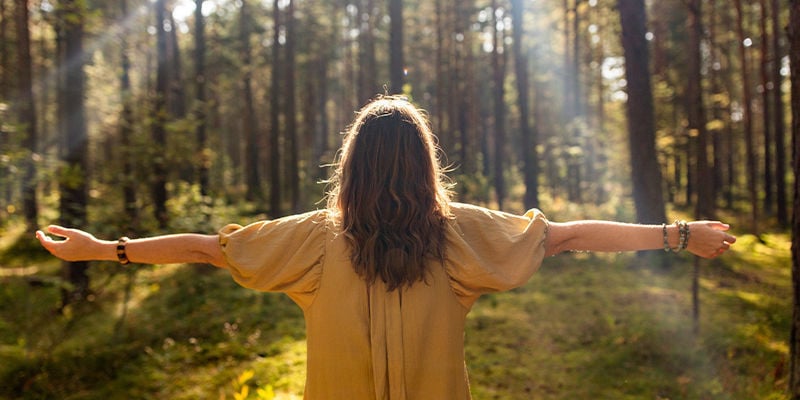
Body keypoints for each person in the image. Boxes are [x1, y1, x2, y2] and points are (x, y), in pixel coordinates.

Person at [37, 96, 736, 399]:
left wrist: (106, 249)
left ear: (352, 165)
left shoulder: (313, 239)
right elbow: (573, 234)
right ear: (424, 164)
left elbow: (205, 249)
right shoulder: (461, 232)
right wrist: (678, 235)